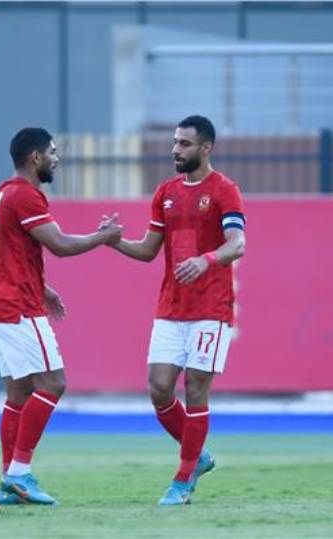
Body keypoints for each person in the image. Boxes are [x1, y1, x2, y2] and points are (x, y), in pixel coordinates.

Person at [107, 115, 246, 505]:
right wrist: (114, 241)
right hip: (171, 307)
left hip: (211, 308)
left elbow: (237, 243)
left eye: (184, 144)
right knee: (159, 388)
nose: (175, 150)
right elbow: (148, 250)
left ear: (206, 148)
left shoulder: (224, 190)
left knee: (196, 388)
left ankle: (183, 480)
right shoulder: (165, 192)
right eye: (174, 142)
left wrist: (206, 260)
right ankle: (198, 454)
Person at [0, 127, 123, 505]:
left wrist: (42, 287)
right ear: (35, 157)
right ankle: (19, 473)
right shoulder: (26, 195)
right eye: (53, 151)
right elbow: (60, 245)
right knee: (53, 383)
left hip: (1, 302)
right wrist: (103, 237)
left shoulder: (3, 192)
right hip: (18, 307)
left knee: (18, 394)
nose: (57, 159)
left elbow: (7, 252)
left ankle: (8, 483)